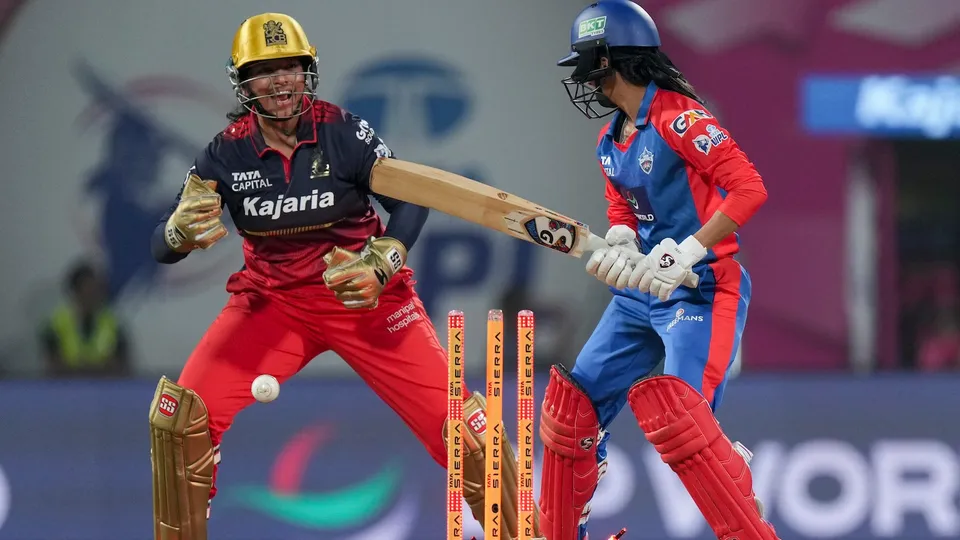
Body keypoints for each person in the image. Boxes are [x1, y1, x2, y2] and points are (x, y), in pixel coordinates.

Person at [146, 12, 535, 540]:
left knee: (470, 438)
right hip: (272, 306)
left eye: (291, 67)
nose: (280, 81)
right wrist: (176, 234)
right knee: (178, 419)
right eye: (265, 71)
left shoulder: (343, 132)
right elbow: (163, 248)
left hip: (365, 301)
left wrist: (382, 262)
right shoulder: (223, 154)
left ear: (309, 72)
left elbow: (409, 202)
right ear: (242, 83)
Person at [536, 2, 777, 539]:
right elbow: (623, 208)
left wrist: (689, 250)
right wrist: (620, 242)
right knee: (571, 411)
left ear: (609, 61)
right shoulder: (611, 141)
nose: (581, 78)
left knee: (683, 423)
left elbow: (748, 188)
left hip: (702, 289)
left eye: (585, 63)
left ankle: (736, 492)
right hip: (642, 295)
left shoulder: (680, 118)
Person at [39, 261, 131, 378]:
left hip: (105, 391)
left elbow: (120, 367)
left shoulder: (113, 324)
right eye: (88, 289)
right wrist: (97, 368)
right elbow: (54, 367)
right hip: (65, 391)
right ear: (75, 291)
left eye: (96, 289)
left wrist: (78, 367)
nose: (94, 294)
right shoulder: (55, 325)